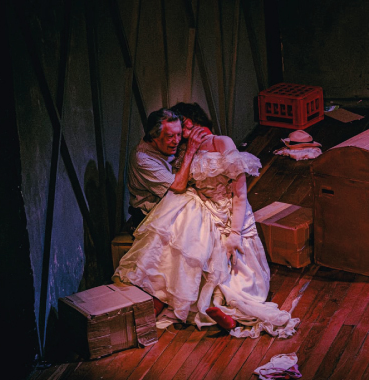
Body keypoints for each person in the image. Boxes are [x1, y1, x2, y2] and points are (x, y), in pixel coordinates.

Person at [114, 103, 299, 339]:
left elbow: (240, 193)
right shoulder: (180, 151)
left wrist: (235, 232)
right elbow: (181, 184)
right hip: (202, 207)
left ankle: (228, 309)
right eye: (177, 133)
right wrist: (189, 152)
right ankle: (192, 305)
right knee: (194, 248)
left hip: (228, 211)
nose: (182, 137)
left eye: (184, 129)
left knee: (231, 268)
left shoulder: (221, 143)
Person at [127, 108, 208, 228]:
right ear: (154, 136)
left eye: (179, 134)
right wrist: (190, 151)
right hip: (150, 217)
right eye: (170, 136)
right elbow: (178, 187)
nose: (176, 141)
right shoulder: (143, 159)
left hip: (169, 207)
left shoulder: (165, 145)